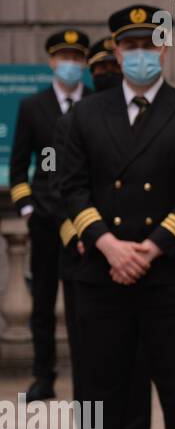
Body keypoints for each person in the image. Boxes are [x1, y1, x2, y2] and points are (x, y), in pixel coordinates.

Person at [55, 5, 175, 429]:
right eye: (130, 45)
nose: (141, 53)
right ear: (116, 53)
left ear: (164, 50)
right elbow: (70, 187)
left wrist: (152, 246)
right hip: (102, 276)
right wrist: (109, 244)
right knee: (98, 393)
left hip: (167, 276)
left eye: (150, 44)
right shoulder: (86, 116)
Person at [10, 29, 90, 403]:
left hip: (83, 223)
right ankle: (43, 374)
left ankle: (89, 374)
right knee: (42, 301)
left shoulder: (96, 102)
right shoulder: (33, 106)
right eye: (64, 57)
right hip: (45, 219)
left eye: (77, 57)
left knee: (84, 307)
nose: (70, 64)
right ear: (52, 61)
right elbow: (19, 166)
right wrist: (27, 208)